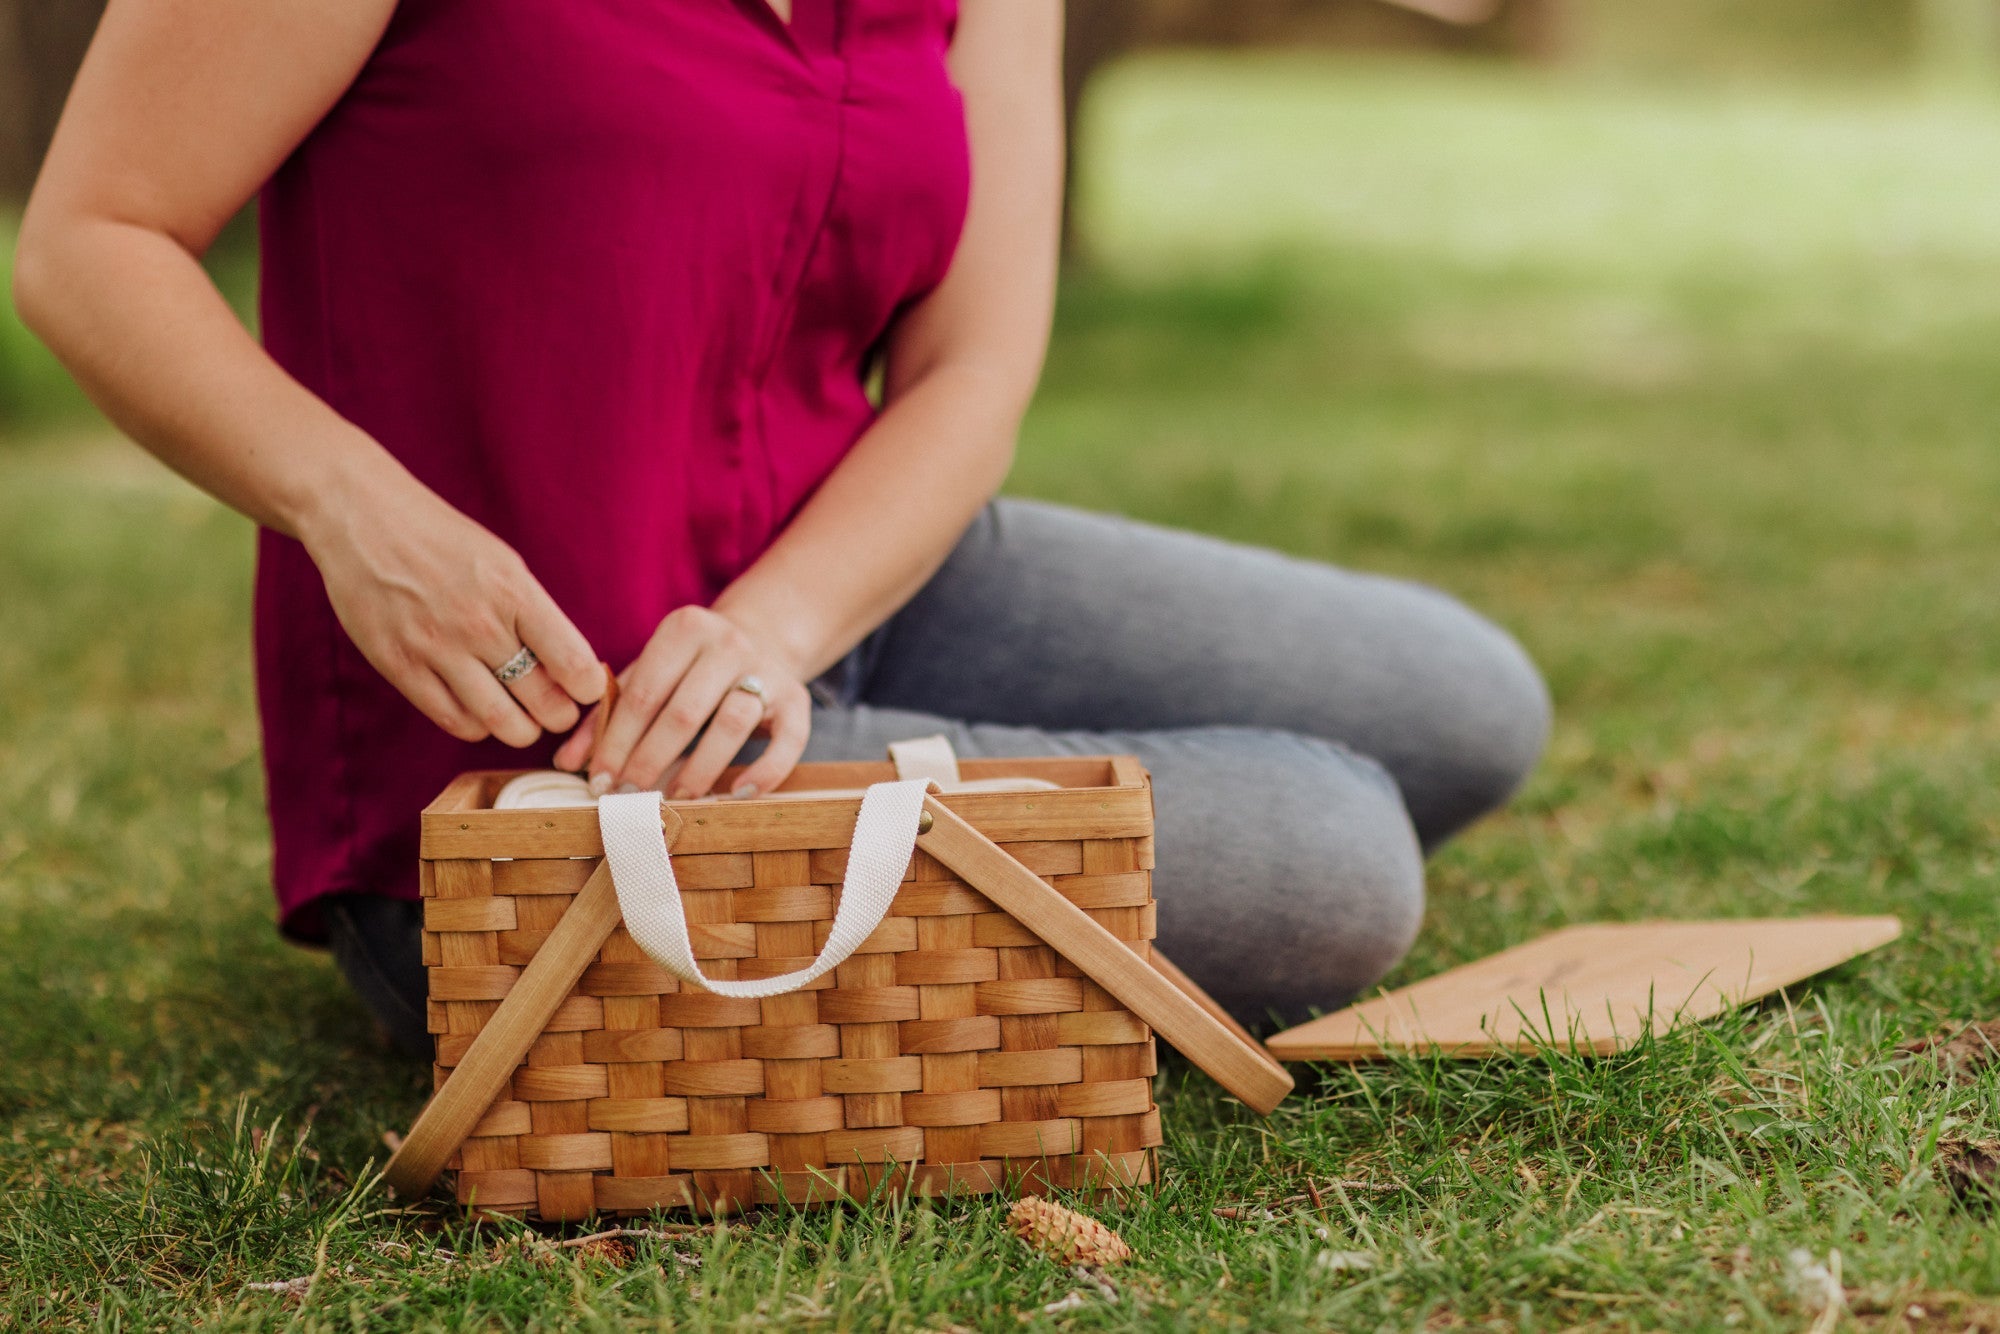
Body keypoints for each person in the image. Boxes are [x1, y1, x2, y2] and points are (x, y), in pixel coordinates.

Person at [13, 0, 1549, 1054]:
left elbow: (970, 370)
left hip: (832, 578)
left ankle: (872, 740)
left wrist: (779, 631)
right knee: (1334, 862)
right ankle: (862, 772)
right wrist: (348, 507)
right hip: (548, 743)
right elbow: (93, 239)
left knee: (1466, 701)